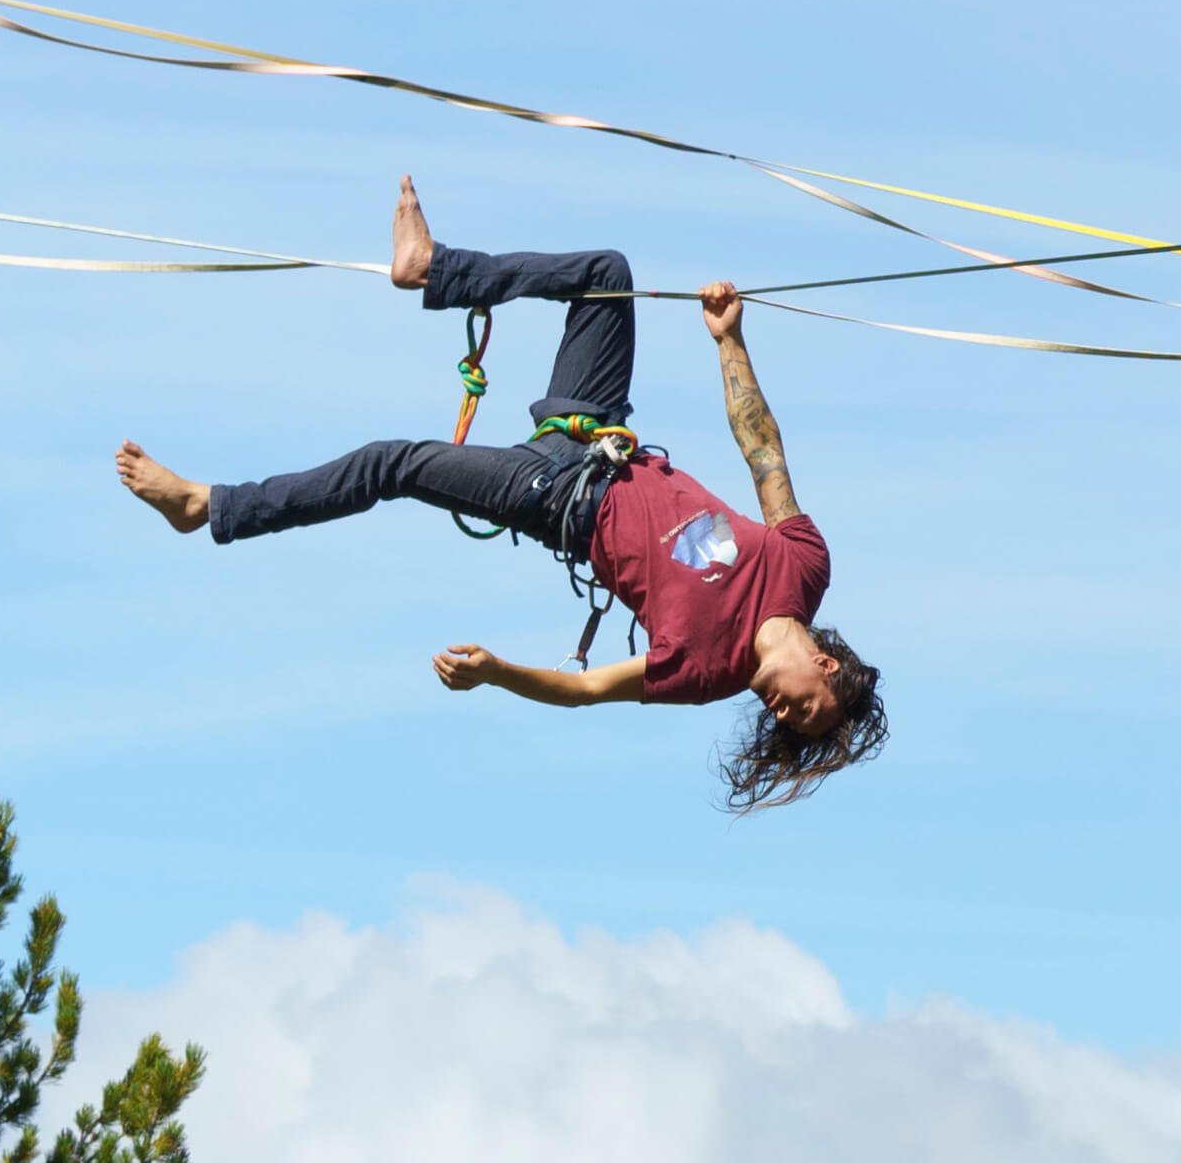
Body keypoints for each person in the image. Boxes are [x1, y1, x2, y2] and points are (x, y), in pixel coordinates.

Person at [116, 176, 886, 810]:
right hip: (597, 431)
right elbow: (763, 454)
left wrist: (498, 671)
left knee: (396, 462)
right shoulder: (803, 567)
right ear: (825, 667)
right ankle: (432, 268)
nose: (782, 712)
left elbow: (583, 690)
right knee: (606, 276)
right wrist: (728, 339)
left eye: (788, 723)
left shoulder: (704, 674)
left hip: (554, 495)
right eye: (806, 708)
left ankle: (209, 507)